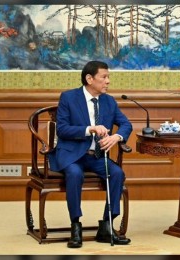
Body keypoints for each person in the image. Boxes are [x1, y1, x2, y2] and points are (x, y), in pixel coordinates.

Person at [49, 60, 133, 248]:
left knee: (117, 173)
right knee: (75, 173)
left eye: (108, 77)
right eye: (104, 77)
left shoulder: (109, 101)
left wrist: (117, 137)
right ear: (89, 78)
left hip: (96, 156)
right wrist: (90, 129)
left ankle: (106, 226)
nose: (108, 81)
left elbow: (126, 124)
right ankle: (75, 225)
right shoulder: (69, 98)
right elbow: (62, 129)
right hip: (72, 154)